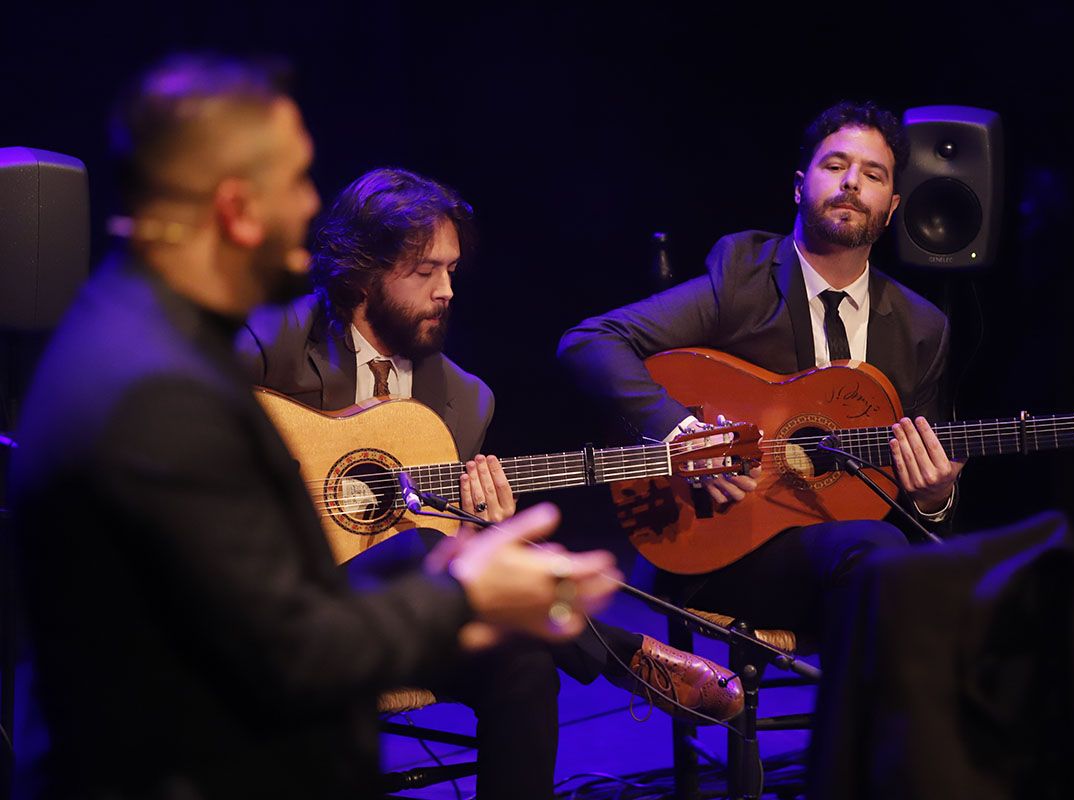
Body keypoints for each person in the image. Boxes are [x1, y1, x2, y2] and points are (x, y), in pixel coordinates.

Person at [8, 54, 618, 800]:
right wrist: (463, 592)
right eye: (297, 181)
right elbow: (288, 651)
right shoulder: (160, 389)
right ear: (237, 207)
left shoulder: (137, 330)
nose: (309, 208)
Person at [235, 167, 747, 734]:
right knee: (426, 544)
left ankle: (618, 660)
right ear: (361, 274)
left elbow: (448, 560)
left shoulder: (465, 399)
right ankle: (628, 656)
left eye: (451, 270)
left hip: (401, 620)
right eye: (425, 271)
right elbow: (184, 440)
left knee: (523, 661)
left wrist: (477, 530)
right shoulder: (273, 341)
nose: (447, 290)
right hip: (285, 604)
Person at [558, 100, 964, 643]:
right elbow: (590, 341)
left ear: (891, 209)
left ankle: (870, 719)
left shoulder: (922, 327)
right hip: (733, 546)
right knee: (884, 566)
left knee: (925, 573)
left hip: (859, 557)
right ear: (799, 186)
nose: (851, 184)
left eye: (872, 174)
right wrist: (687, 435)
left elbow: (920, 490)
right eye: (835, 165)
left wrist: (934, 498)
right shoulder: (743, 278)